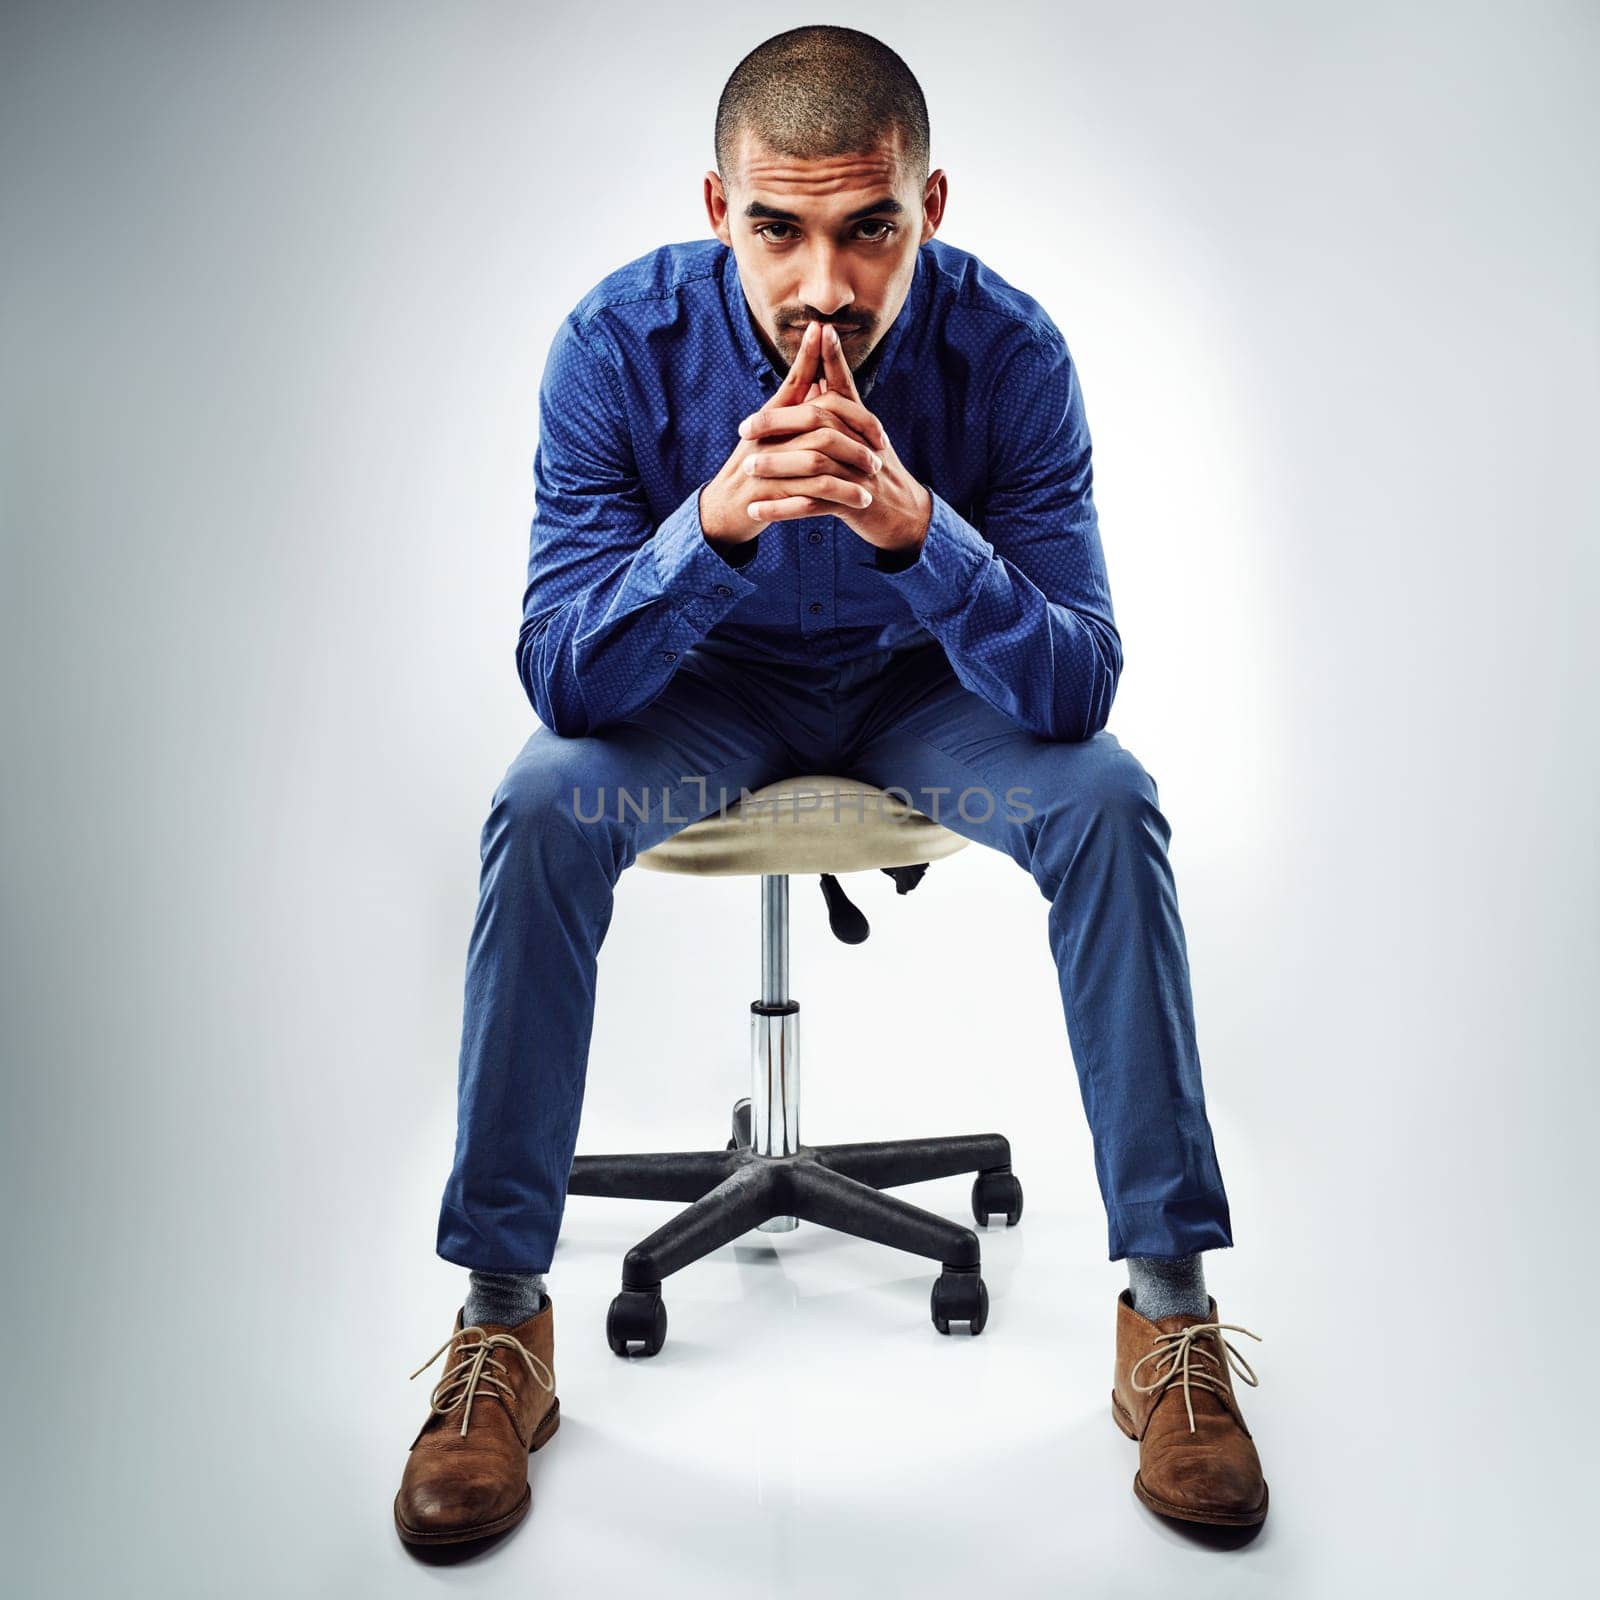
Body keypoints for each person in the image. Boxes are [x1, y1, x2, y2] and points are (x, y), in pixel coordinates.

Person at [394, 23, 1269, 1548]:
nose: (823, 287)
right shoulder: (613, 347)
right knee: (542, 803)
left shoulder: (1014, 356)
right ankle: (500, 1321)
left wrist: (926, 533)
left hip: (930, 698)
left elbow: (1072, 688)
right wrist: (709, 533)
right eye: (776, 230)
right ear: (716, 208)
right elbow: (565, 679)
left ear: (930, 207)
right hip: (706, 696)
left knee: (1109, 801)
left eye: (868, 230)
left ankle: (1170, 1316)